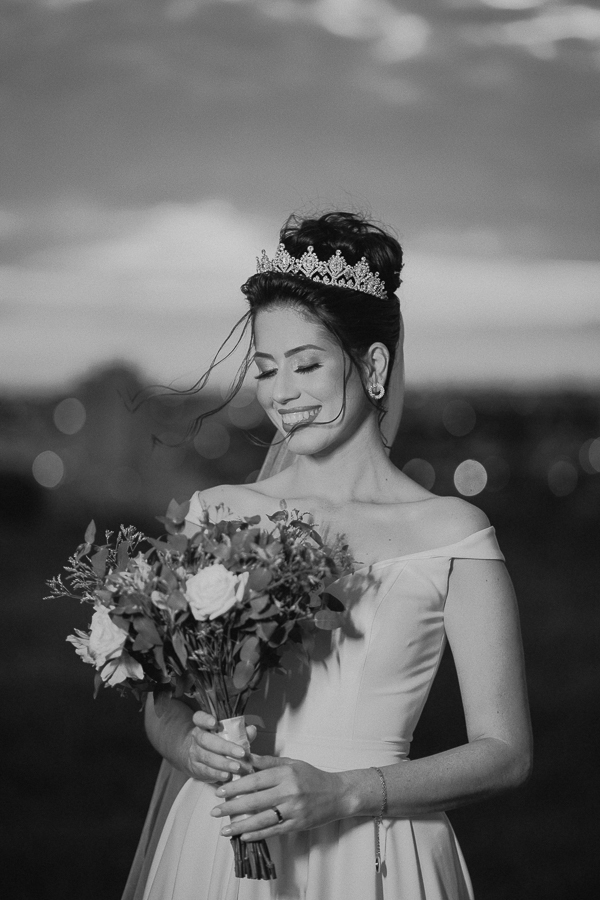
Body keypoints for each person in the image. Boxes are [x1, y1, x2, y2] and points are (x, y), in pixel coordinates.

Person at [123, 211, 532, 900]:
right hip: (223, 842)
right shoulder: (217, 514)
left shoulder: (453, 533)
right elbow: (163, 703)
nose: (280, 394)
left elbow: (506, 752)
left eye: (306, 365)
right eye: (265, 369)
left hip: (376, 850)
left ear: (372, 366)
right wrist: (188, 745)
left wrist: (345, 793)